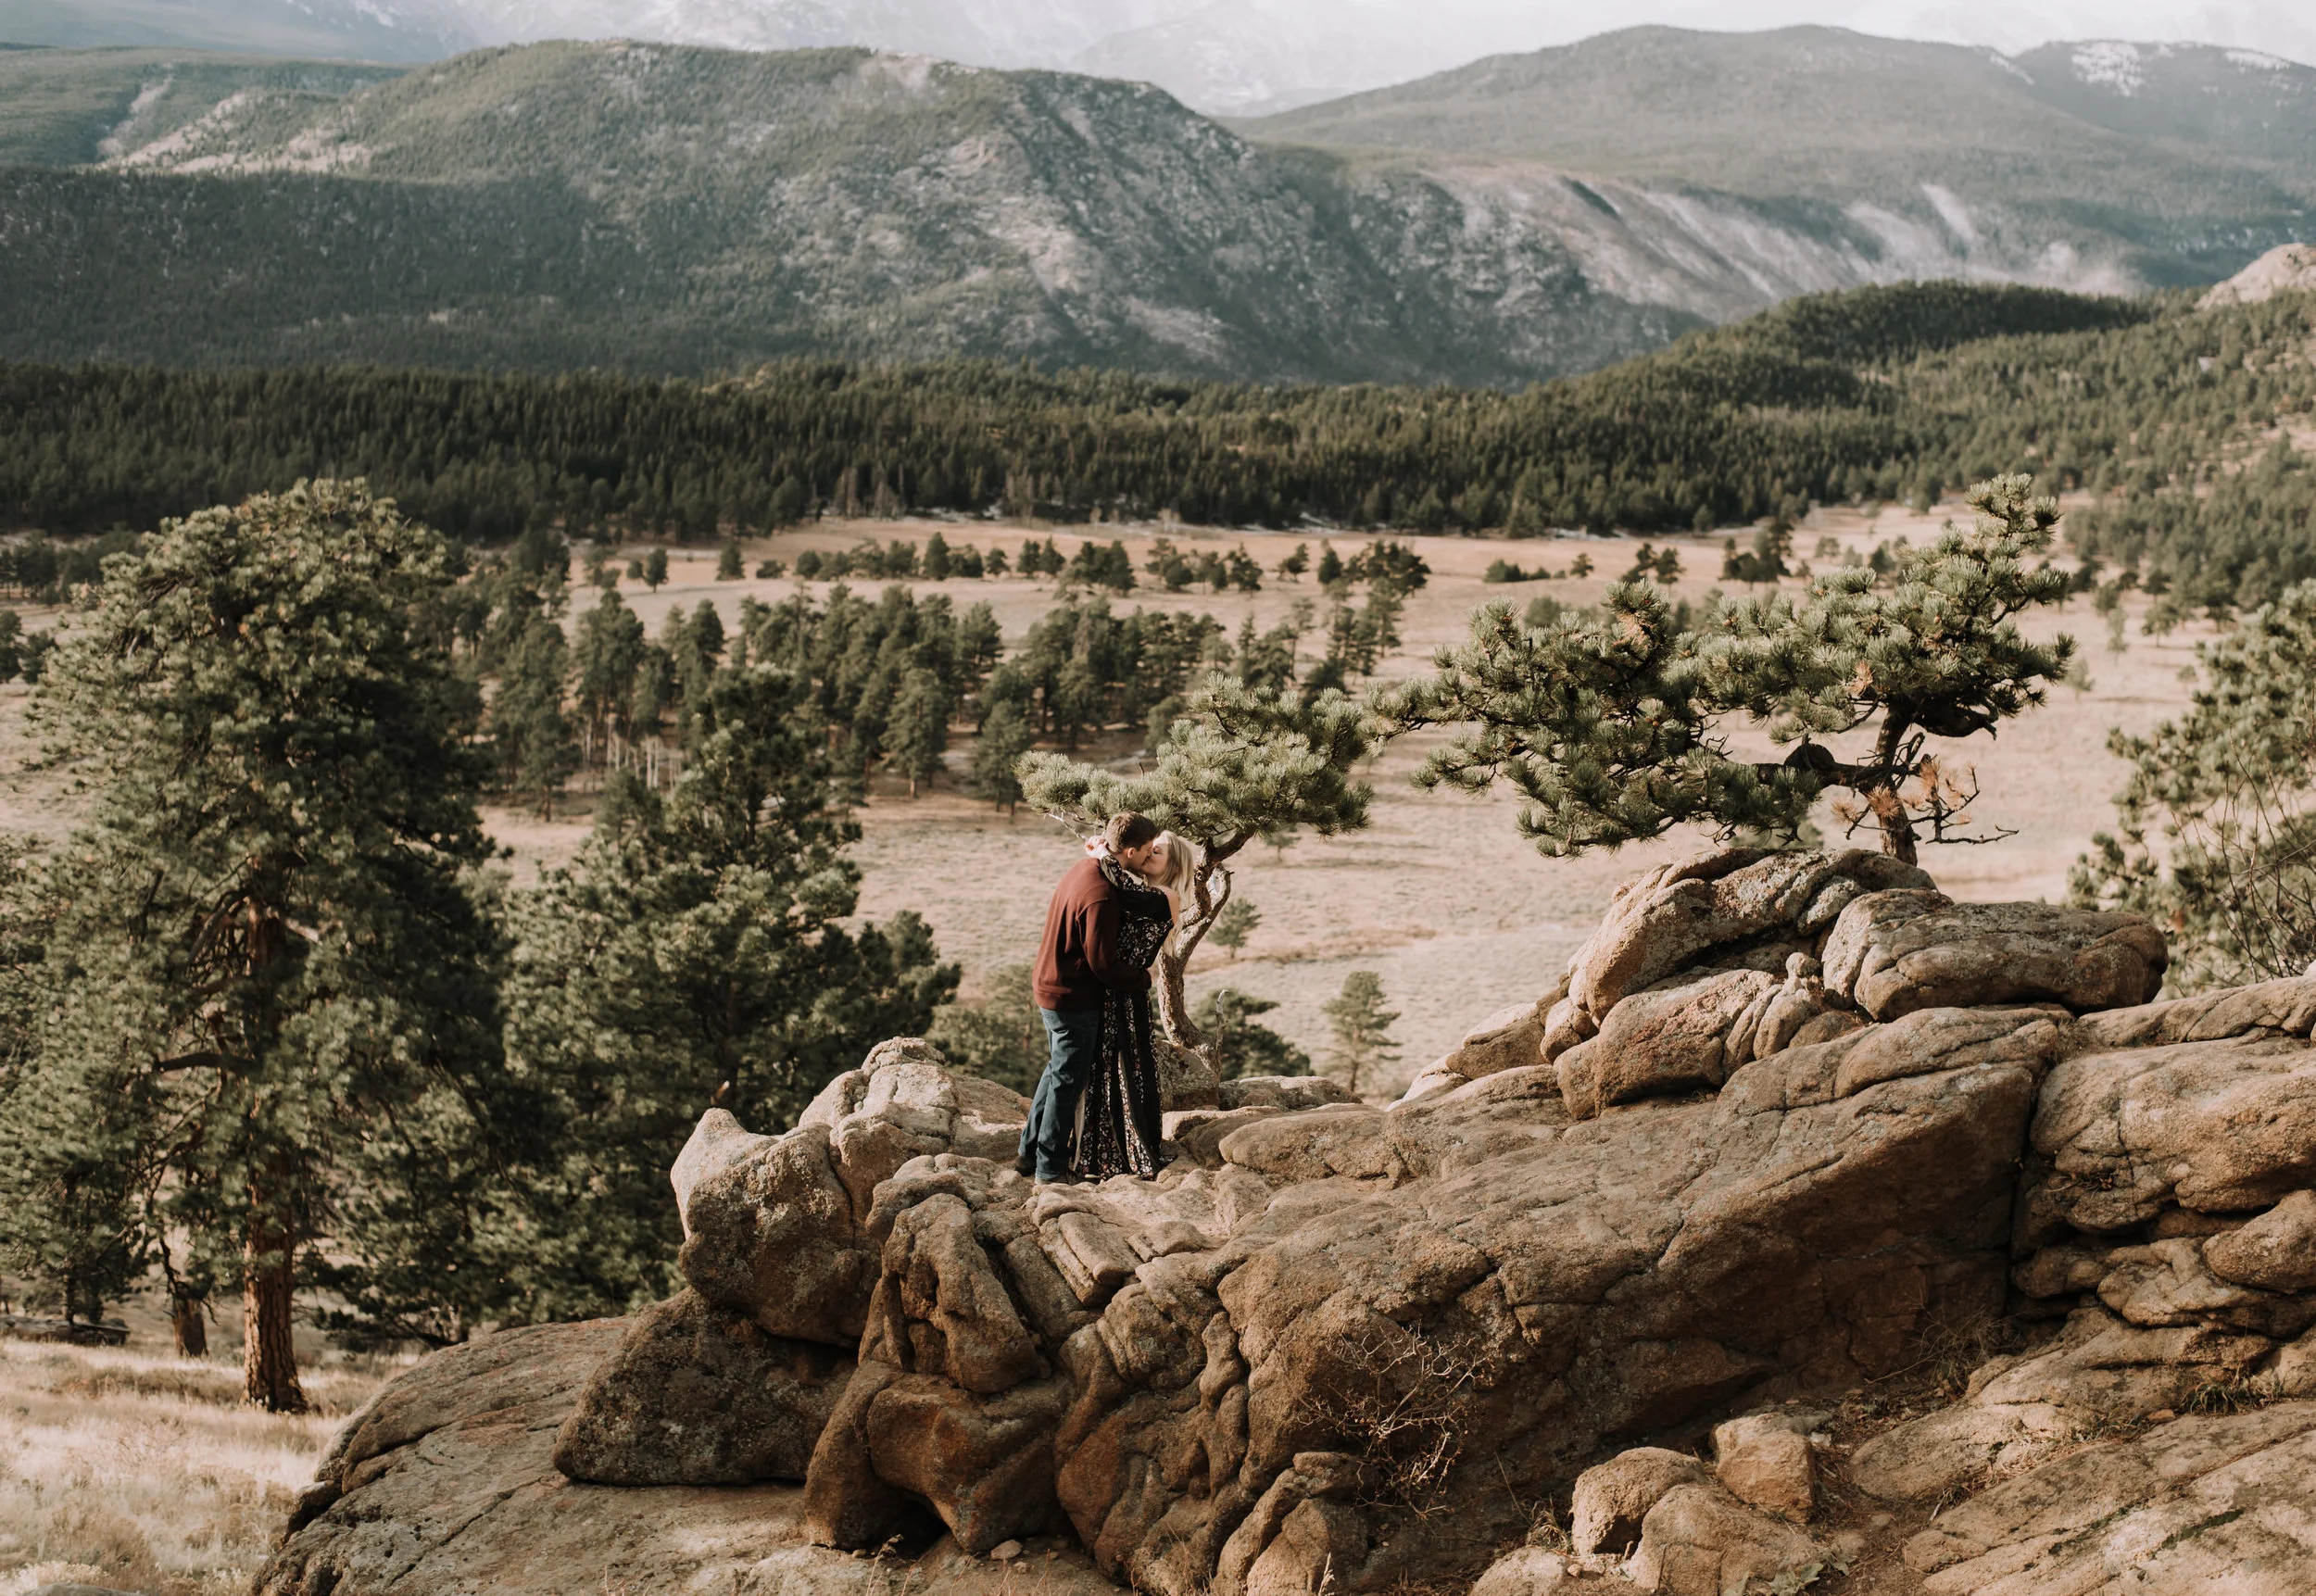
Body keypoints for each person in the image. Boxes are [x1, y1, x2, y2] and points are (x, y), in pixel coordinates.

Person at [1021, 812, 1176, 1184]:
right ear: (1131, 851)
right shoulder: (1102, 894)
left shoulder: (1084, 869)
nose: (1149, 856)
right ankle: (1049, 1170)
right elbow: (1103, 963)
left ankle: (1027, 1154)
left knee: (1056, 1072)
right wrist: (1143, 978)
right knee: (1067, 1083)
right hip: (1073, 996)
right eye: (1147, 850)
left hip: (1049, 986)